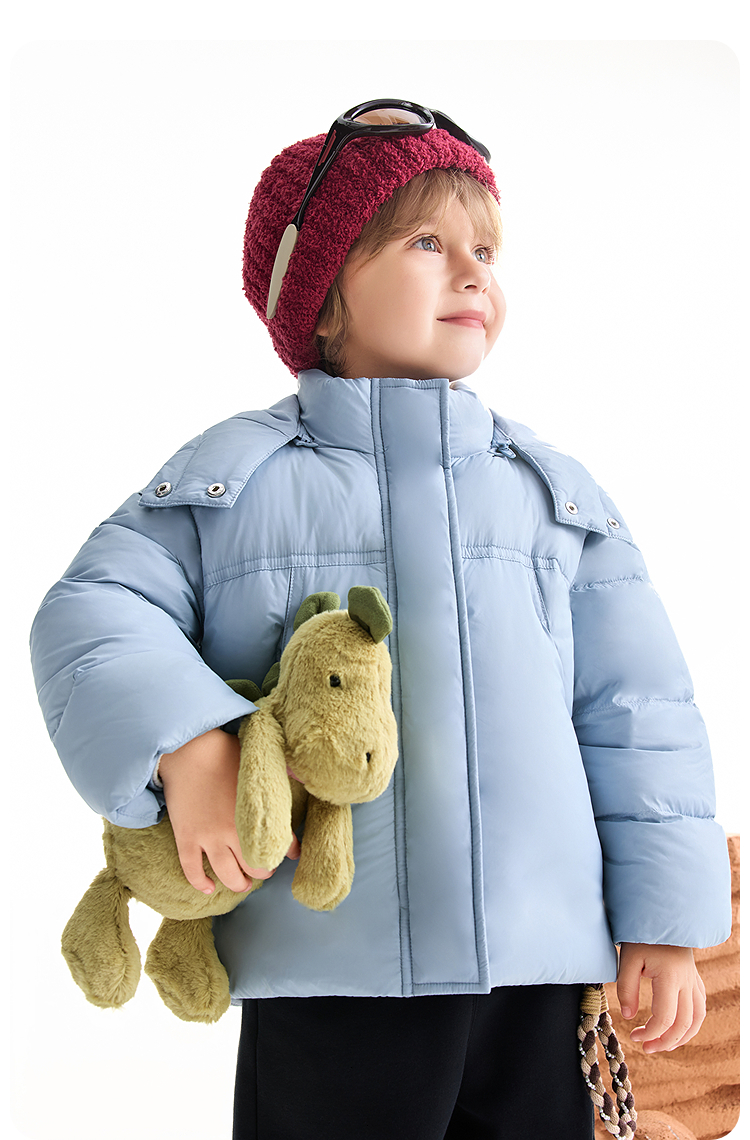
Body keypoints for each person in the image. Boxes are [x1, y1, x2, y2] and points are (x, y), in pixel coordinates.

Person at [30, 99, 731, 1140]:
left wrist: (665, 924)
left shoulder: (556, 499)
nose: (473, 274)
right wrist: (185, 743)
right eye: (428, 243)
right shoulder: (234, 481)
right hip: (328, 972)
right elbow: (93, 609)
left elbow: (639, 712)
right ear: (323, 291)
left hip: (538, 977)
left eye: (486, 251)